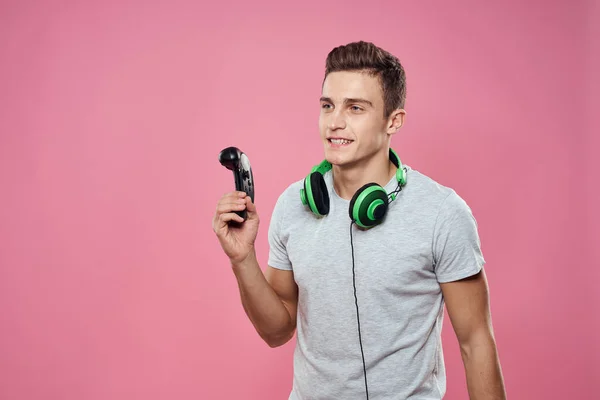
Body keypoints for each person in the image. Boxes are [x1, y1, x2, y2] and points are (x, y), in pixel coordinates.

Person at [213, 41, 506, 400]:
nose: (335, 122)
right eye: (327, 106)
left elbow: (476, 343)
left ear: (393, 120)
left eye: (355, 108)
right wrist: (242, 260)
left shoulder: (441, 213)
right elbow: (277, 330)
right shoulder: (293, 205)